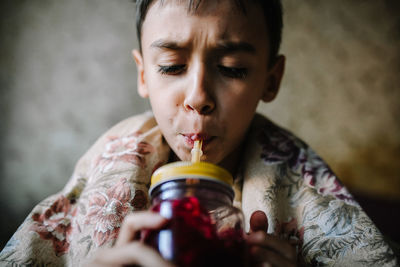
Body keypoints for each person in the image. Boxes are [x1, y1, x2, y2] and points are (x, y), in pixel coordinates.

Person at [0, 0, 398, 266]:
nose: (198, 97)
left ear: (270, 80)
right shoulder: (109, 168)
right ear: (143, 74)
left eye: (233, 68)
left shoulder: (306, 192)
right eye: (172, 66)